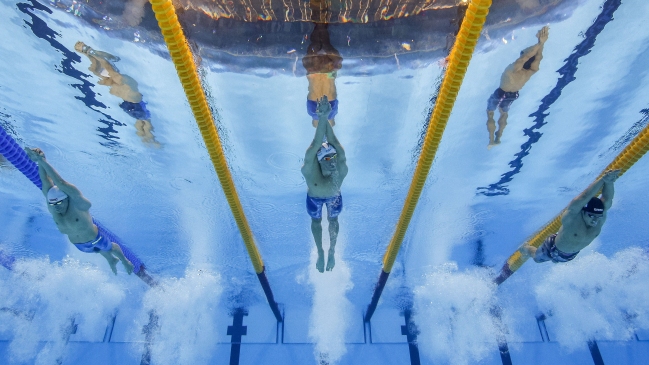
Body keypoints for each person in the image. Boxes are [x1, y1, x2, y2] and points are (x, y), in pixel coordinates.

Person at [24, 147, 134, 275]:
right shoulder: (53, 206)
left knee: (110, 247)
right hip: (81, 246)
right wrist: (39, 161)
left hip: (95, 238)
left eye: (59, 203)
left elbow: (60, 182)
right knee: (98, 251)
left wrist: (43, 161)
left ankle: (125, 261)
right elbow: (45, 181)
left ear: (66, 199)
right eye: (53, 204)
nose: (56, 207)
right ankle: (111, 260)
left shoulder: (78, 204)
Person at [520, 169, 620, 263]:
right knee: (536, 258)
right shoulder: (572, 217)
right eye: (591, 216)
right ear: (582, 211)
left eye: (598, 216)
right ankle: (525, 248)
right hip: (553, 248)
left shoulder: (600, 217)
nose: (595, 220)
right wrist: (603, 179)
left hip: (571, 255)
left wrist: (609, 182)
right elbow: (585, 196)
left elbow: (607, 199)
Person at [74, 41, 160, 147]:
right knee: (143, 121)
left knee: (144, 121)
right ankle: (149, 139)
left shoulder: (120, 79)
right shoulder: (113, 80)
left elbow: (107, 66)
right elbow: (100, 66)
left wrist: (87, 50)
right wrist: (86, 52)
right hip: (129, 102)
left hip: (134, 102)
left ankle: (151, 139)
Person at [301, 97, 348, 273]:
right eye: (327, 158)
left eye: (334, 157)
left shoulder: (341, 168)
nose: (332, 162)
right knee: (316, 221)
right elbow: (315, 144)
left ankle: (332, 251)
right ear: (319, 161)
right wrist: (322, 118)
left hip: (334, 197)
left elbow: (335, 144)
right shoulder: (309, 168)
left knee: (333, 220)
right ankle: (320, 251)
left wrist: (326, 117)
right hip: (314, 198)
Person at [486, 26, 549, 148]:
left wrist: (539, 43)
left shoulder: (513, 69)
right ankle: (498, 137)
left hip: (501, 92)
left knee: (490, 113)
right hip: (512, 96)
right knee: (504, 114)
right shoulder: (530, 71)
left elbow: (524, 57)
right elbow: (537, 58)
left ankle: (491, 139)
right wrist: (541, 44)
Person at [303, 23, 342, 129]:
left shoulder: (331, 115)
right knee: (316, 46)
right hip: (314, 74)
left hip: (327, 72)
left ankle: (320, 26)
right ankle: (318, 25)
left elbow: (331, 122)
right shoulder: (313, 113)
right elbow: (317, 122)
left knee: (325, 45)